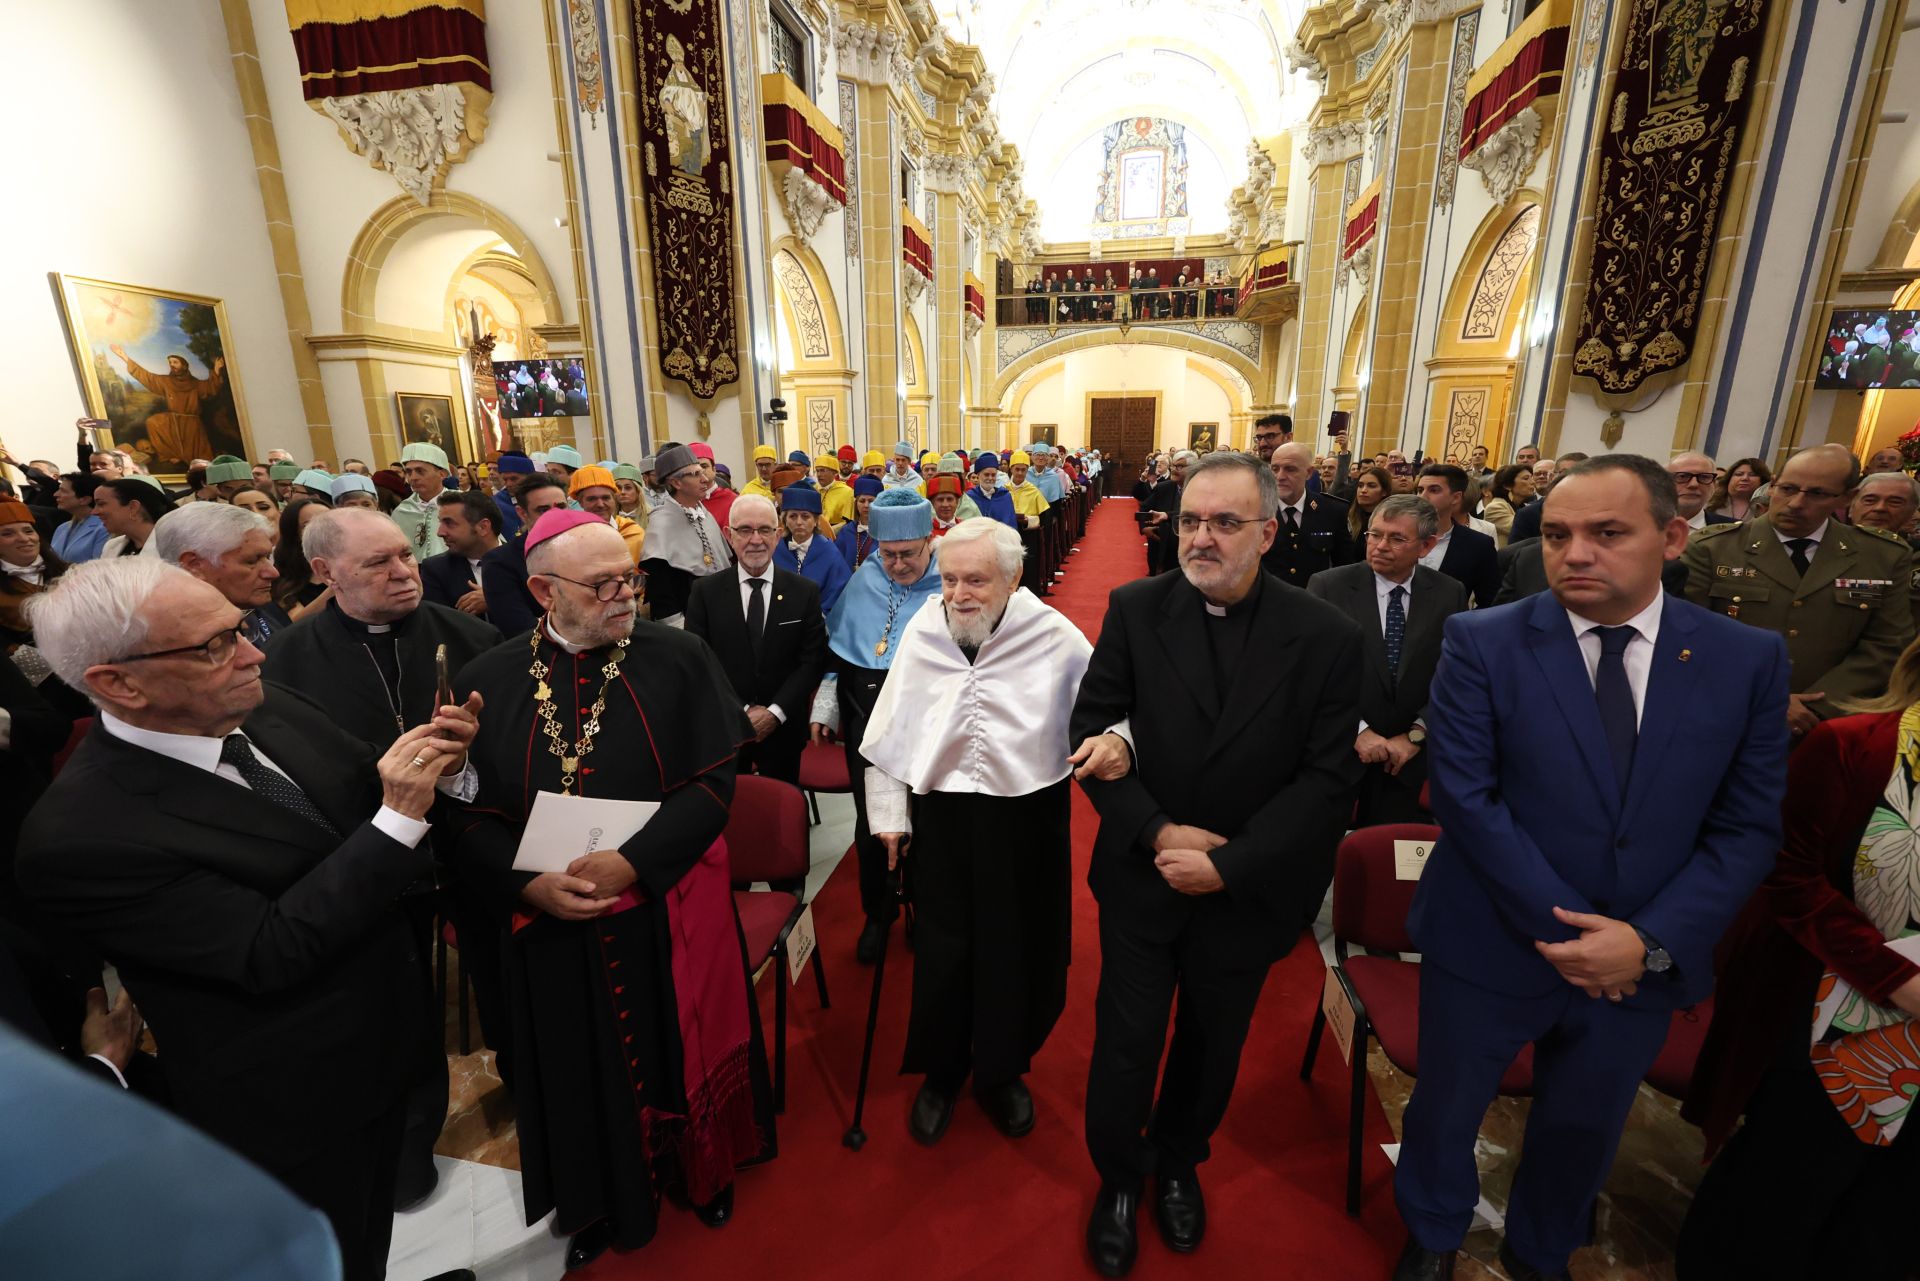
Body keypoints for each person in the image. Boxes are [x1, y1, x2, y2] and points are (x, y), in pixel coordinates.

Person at [16, 556, 479, 1281]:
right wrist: (397, 816)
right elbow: (269, 949)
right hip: (294, 1096)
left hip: (388, 1032)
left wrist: (437, 763)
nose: (254, 650)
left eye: (236, 630)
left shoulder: (263, 702)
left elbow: (364, 792)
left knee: (372, 1233)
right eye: (213, 645)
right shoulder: (83, 835)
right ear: (118, 682)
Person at [1390, 455, 1790, 1281]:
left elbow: (1746, 827)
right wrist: (1578, 934)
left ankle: (1541, 1249)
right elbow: (1467, 799)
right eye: (1562, 533)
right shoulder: (1483, 639)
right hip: (1494, 937)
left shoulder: (1744, 658)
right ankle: (1432, 1231)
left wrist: (1644, 942)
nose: (1575, 553)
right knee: (1447, 1106)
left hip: (1641, 959)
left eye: (1608, 533)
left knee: (1586, 1124)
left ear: (1672, 535)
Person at [449, 511, 773, 1268]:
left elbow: (714, 782)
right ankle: (597, 1196)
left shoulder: (680, 655)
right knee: (576, 1059)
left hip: (665, 901)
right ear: (541, 591)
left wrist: (637, 861)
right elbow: (461, 814)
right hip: (550, 917)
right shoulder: (487, 679)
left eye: (628, 576)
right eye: (602, 585)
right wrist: (527, 884)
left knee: (675, 1040)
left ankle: (705, 1168)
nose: (626, 594)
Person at [1072, 451, 1364, 1277]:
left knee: (1211, 1041)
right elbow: (1091, 728)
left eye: (1225, 523)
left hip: (1247, 888)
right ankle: (1118, 1180)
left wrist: (1230, 863)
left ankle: (1177, 1163)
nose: (1201, 537)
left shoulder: (1326, 637)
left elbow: (1327, 779)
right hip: (1144, 872)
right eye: (1193, 519)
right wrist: (1161, 832)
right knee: (1126, 1042)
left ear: (1268, 533)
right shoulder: (1135, 607)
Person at [1677, 635, 1920, 1281]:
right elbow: (1787, 876)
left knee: (1887, 1221)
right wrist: (1894, 976)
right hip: (1834, 1016)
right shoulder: (1855, 744)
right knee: (1783, 1196)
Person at [864, 517, 1093, 1143]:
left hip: (1026, 817)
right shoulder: (923, 630)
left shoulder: (1051, 633)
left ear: (1014, 577)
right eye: (951, 580)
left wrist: (1115, 743)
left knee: (1016, 946)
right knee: (945, 947)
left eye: (976, 581)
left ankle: (1001, 1071)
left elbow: (1105, 708)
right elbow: (889, 732)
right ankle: (943, 1071)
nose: (959, 595)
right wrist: (889, 817)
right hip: (945, 819)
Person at [1682, 443, 1914, 737]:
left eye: (1816, 494)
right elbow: (1689, 636)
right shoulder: (1713, 548)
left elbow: (1887, 644)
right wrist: (1768, 700)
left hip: (1828, 724)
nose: (1795, 503)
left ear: (1847, 498)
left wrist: (1818, 705)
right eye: (1788, 488)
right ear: (1773, 484)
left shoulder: (1882, 555)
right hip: (1728, 714)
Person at [810, 489, 944, 963]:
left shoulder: (952, 582)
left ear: (930, 540)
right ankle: (879, 913)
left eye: (908, 554)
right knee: (872, 823)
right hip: (867, 719)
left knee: (929, 823)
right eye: (888, 554)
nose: (898, 565)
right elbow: (840, 650)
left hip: (931, 724)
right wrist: (826, 703)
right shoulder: (867, 578)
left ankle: (927, 913)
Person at [1308, 495, 1466, 824]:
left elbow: (1455, 677)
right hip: (1339, 755)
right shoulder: (1328, 587)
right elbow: (1309, 673)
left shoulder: (1449, 593)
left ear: (1426, 546)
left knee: (1391, 860)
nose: (1380, 546)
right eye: (1374, 534)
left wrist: (1415, 736)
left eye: (1396, 538)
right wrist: (1358, 731)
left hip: (1407, 762)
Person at [685, 494, 827, 785]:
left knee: (783, 814)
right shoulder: (705, 593)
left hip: (784, 730)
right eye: (745, 530)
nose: (755, 540)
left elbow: (811, 662)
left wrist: (774, 714)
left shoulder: (805, 592)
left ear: (777, 535)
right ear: (729, 535)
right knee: (730, 816)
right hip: (725, 726)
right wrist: (744, 711)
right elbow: (699, 662)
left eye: (764, 530)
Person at [152, 502, 289, 648]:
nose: (273, 573)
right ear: (194, 565)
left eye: (268, 557)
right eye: (252, 561)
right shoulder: (177, 646)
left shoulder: (261, 606)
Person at [639, 444, 732, 626]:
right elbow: (663, 597)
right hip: (688, 626)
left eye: (702, 471)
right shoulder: (660, 525)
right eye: (696, 474)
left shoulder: (704, 514)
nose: (705, 479)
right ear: (676, 483)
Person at [479, 474, 570, 639]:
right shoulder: (500, 562)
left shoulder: (587, 549)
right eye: (543, 510)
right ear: (522, 513)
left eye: (561, 507)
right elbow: (520, 629)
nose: (555, 516)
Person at [1261, 442, 1355, 587]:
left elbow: (1345, 566)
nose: (1280, 476)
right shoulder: (1257, 509)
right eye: (1275, 469)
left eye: (1290, 469)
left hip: (1314, 600)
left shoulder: (1331, 510)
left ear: (1309, 473)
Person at [1413, 464, 1500, 608]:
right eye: (1420, 490)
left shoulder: (1478, 545)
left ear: (1456, 497)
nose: (1423, 497)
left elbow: (1490, 601)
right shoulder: (1396, 535)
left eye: (1434, 490)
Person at [421, 491, 502, 617]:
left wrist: (496, 600)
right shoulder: (436, 570)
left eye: (449, 523)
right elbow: (441, 626)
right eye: (441, 522)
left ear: (483, 527)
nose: (440, 532)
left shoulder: (524, 559)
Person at [271, 499, 334, 622]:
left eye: (329, 522)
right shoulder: (283, 578)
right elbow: (295, 623)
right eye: (309, 526)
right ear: (295, 535)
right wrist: (338, 586)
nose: (324, 530)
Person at [568, 465, 644, 564]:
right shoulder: (572, 537)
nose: (600, 504)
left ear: (614, 499)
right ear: (580, 502)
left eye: (606, 498)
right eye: (592, 499)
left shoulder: (632, 532)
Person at [1507, 452, 1587, 544]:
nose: (1572, 478)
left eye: (1578, 473)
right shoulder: (1529, 514)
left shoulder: (1599, 512)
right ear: (1552, 477)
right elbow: (1514, 554)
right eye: (1565, 473)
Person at [392, 443, 452, 559]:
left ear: (442, 474)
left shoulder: (463, 504)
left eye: (420, 471)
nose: (413, 478)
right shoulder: (402, 511)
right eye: (409, 472)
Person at [95, 477, 174, 558]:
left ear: (133, 507)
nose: (94, 512)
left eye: (101, 504)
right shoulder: (111, 546)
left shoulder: (171, 547)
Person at [49, 473, 107, 565]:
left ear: (85, 499)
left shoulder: (104, 528)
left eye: (63, 491)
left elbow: (99, 566)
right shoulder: (62, 528)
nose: (56, 494)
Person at [1668, 451, 1734, 532]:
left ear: (1714, 485)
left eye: (1704, 477)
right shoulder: (1649, 524)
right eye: (1682, 476)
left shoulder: (1733, 531)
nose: (1694, 484)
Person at [1851, 469, 1920, 545]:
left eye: (1894, 502)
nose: (1880, 508)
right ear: (1851, 507)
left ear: (1912, 512)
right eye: (1870, 500)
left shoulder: (1910, 555)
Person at [1479, 465, 1535, 549]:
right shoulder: (1495, 507)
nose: (1533, 482)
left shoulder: (1526, 506)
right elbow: (1525, 529)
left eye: (1532, 477)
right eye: (1526, 478)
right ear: (1507, 485)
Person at [835, 476, 885, 570]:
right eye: (862, 501)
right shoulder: (846, 531)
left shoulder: (886, 532)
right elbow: (836, 563)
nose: (866, 505)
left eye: (871, 501)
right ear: (856, 503)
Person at [1708, 455, 1771, 521]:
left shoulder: (1768, 507)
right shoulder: (1710, 501)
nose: (1745, 478)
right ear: (1729, 478)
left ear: (1763, 480)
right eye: (1739, 474)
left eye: (1752, 475)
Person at [966, 452, 1018, 529]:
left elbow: (1011, 527)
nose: (990, 478)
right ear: (978, 475)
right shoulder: (970, 497)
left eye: (993, 475)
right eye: (986, 475)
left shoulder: (1005, 496)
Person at [1344, 464, 1393, 543]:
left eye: (1371, 486)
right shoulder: (1347, 517)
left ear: (1384, 492)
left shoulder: (1391, 520)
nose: (1363, 490)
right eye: (1360, 485)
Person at [814, 453, 856, 528]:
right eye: (817, 471)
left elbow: (848, 521)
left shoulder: (847, 492)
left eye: (822, 470)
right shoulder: (812, 490)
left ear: (834, 472)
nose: (819, 474)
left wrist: (829, 532)